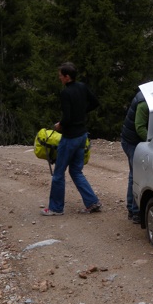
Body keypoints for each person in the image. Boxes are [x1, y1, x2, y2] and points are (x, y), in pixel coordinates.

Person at [41, 62, 102, 216]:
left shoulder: (66, 93)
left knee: (58, 174)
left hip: (70, 138)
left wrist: (60, 125)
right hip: (82, 136)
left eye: (61, 76)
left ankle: (55, 208)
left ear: (67, 77)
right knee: (76, 171)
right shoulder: (82, 86)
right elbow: (95, 102)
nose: (59, 78)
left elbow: (67, 118)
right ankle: (92, 202)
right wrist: (81, 113)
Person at [120, 90, 148, 223]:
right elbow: (140, 127)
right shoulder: (144, 103)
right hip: (131, 142)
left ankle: (133, 209)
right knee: (136, 175)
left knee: (136, 174)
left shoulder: (150, 98)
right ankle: (134, 211)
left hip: (134, 139)